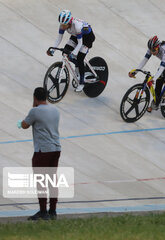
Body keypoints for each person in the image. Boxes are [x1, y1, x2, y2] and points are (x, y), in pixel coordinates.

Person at [18, 87, 61, 220]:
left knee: (41, 182)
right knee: (52, 181)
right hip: (56, 148)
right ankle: (52, 211)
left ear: (35, 97)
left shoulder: (35, 111)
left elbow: (25, 125)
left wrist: (20, 123)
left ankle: (43, 212)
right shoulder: (55, 110)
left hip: (43, 150)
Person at [128, 35, 165, 112]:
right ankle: (156, 103)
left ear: (158, 47)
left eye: (154, 50)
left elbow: (161, 68)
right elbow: (144, 60)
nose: (152, 52)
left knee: (164, 72)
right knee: (159, 80)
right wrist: (135, 72)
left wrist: (153, 79)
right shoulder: (151, 49)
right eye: (151, 50)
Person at [47, 10, 95, 92]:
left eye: (64, 25)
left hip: (87, 38)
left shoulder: (77, 26)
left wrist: (74, 53)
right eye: (61, 24)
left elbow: (80, 43)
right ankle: (78, 66)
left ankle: (82, 82)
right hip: (76, 35)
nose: (62, 26)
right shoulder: (63, 25)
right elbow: (59, 38)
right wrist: (53, 49)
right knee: (65, 52)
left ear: (69, 22)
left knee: (79, 58)